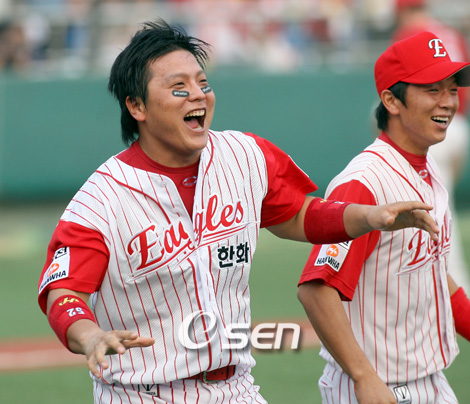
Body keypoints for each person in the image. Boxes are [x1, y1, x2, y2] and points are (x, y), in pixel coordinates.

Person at [37, 20, 438, 404]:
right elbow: (64, 293)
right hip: (142, 394)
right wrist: (89, 335)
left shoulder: (245, 156)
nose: (198, 95)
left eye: (203, 83)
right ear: (136, 105)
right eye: (179, 88)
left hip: (236, 389)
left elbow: (300, 216)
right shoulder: (102, 200)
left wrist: (369, 217)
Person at [297, 31, 470, 404]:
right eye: (432, 90)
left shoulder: (427, 169)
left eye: (452, 90)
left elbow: (435, 274)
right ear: (391, 100)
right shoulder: (364, 183)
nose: (448, 102)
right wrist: (363, 377)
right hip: (380, 386)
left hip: (430, 381)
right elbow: (316, 289)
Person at [392, 0, 470, 291]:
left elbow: (398, 90)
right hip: (456, 126)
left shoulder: (408, 34)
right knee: (441, 208)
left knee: (435, 215)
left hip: (430, 127)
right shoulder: (450, 33)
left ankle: (453, 290)